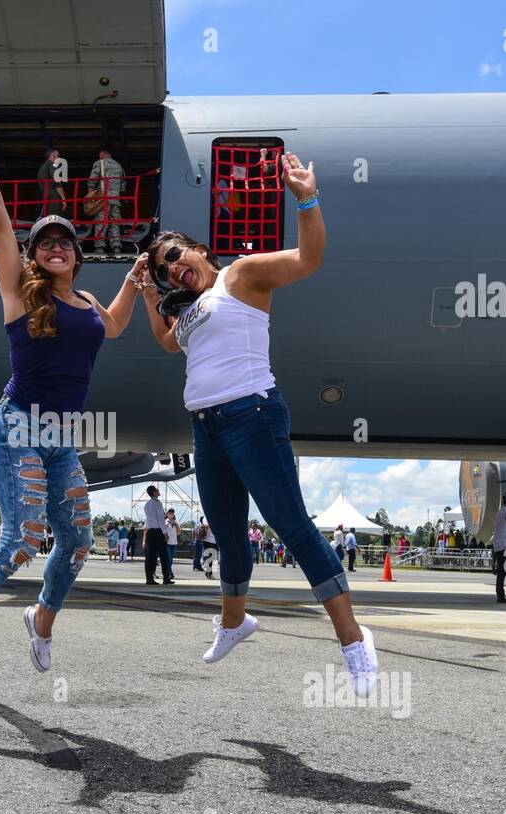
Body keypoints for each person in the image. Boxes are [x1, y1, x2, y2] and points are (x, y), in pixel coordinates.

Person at [137, 151, 377, 693]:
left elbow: (308, 259)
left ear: (199, 249)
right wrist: (151, 293)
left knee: (291, 526)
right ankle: (233, 622)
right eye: (164, 268)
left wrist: (306, 198)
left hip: (253, 415)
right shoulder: (191, 309)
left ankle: (354, 640)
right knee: (226, 531)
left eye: (176, 255)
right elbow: (166, 340)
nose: (174, 267)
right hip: (207, 427)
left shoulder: (239, 277)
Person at [0, 104, 140, 680]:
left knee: (77, 542)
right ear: (35, 254)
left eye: (65, 243)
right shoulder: (21, 294)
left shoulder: (86, 303)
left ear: (76, 255)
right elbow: (0, 225)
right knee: (24, 540)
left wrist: (131, 281)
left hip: (61, 438)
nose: (56, 248)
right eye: (45, 242)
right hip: (18, 425)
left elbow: (115, 328)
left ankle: (40, 621)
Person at [87, 146, 125, 254]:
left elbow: (92, 180)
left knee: (101, 222)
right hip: (116, 200)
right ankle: (116, 247)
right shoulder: (119, 166)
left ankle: (100, 248)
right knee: (115, 223)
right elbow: (123, 187)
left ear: (102, 153)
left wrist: (91, 195)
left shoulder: (100, 163)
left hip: (102, 200)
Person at [142, 485, 173, 585]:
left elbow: (148, 520)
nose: (158, 491)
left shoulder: (146, 504)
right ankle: (166, 578)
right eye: (156, 490)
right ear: (154, 493)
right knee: (163, 555)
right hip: (158, 532)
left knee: (150, 556)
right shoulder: (158, 504)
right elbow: (160, 519)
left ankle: (149, 578)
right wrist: (165, 533)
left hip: (150, 532)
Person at [37, 148, 67, 219]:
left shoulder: (43, 167)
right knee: (56, 219)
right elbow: (57, 182)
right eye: (57, 156)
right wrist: (63, 199)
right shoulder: (52, 166)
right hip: (54, 199)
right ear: (53, 156)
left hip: (47, 196)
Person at [164, 507, 179, 582]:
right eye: (169, 513)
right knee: (168, 559)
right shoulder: (165, 522)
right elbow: (163, 531)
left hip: (174, 542)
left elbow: (179, 533)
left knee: (171, 560)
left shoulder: (175, 522)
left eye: (172, 513)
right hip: (167, 543)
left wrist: (177, 526)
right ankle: (169, 573)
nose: (171, 515)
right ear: (167, 514)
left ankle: (168, 572)